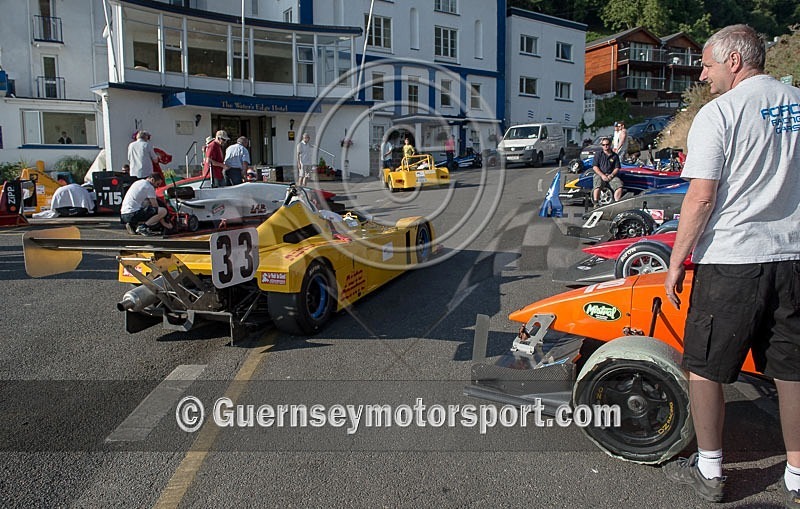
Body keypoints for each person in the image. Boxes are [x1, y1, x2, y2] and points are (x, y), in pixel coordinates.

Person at [662, 24, 800, 506]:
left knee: (705, 368)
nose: (702, 74)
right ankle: (798, 476)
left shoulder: (720, 113)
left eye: (707, 64)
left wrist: (676, 261)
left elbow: (701, 198)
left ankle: (712, 468)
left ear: (735, 61)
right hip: (794, 257)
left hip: (734, 257)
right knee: (792, 370)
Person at [591, 137, 623, 204]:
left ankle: (616, 203)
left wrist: (611, 175)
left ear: (610, 144)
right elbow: (595, 167)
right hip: (599, 174)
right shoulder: (598, 154)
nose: (605, 146)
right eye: (603, 145)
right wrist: (602, 175)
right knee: (597, 185)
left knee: (619, 186)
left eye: (607, 144)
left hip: (610, 175)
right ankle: (596, 203)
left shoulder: (615, 156)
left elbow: (617, 168)